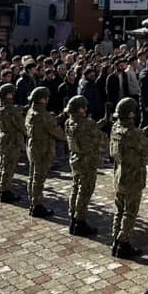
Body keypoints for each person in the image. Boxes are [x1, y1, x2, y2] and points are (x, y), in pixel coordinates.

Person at [111, 97, 148, 259]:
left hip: (119, 175)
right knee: (130, 212)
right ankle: (124, 243)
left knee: (119, 209)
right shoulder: (134, 133)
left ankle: (116, 239)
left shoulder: (115, 128)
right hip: (133, 178)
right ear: (130, 113)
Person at [64, 94, 107, 236]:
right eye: (84, 107)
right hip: (87, 162)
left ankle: (73, 218)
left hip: (75, 159)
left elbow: (88, 130)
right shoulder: (86, 124)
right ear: (80, 109)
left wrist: (101, 122)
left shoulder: (69, 122)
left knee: (76, 188)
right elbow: (101, 139)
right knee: (85, 191)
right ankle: (80, 222)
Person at [25, 86, 66, 218]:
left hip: (33, 146)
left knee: (33, 176)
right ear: (42, 99)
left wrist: (61, 116)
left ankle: (33, 202)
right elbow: (57, 132)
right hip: (43, 149)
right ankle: (37, 205)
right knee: (39, 178)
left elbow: (48, 123)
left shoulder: (31, 111)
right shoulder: (44, 115)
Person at [0, 83, 26, 204]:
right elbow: (22, 126)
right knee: (9, 166)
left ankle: (2, 188)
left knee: (4, 164)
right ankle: (5, 191)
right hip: (12, 139)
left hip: (3, 136)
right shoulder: (12, 110)